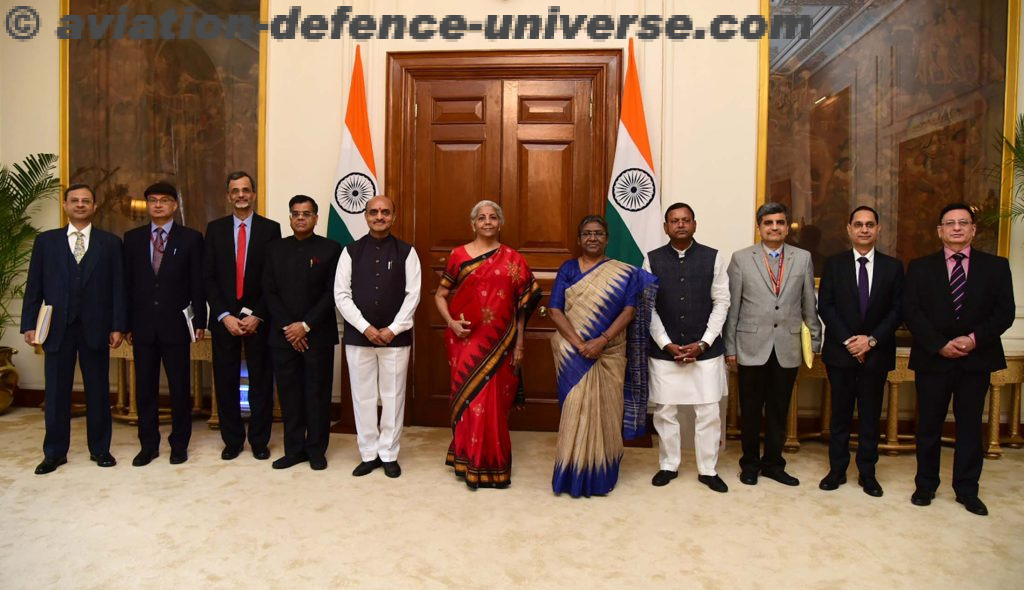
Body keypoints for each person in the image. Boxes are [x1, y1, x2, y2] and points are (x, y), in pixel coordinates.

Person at [904, 203, 1014, 516]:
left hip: (975, 360)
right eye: (949, 223)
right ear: (939, 231)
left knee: (969, 427)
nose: (956, 228)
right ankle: (925, 485)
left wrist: (973, 340)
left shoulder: (996, 267)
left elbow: (1004, 312)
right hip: (933, 360)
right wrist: (939, 344)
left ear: (973, 230)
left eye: (963, 223)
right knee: (928, 426)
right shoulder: (920, 267)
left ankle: (967, 490)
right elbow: (912, 311)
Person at [548, 215, 657, 497]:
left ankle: (601, 473)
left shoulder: (624, 273)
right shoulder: (568, 269)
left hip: (610, 352)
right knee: (575, 410)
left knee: (607, 411)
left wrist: (602, 340)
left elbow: (629, 311)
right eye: (587, 234)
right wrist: (580, 344)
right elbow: (555, 310)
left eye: (598, 233)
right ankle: (571, 472)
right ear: (579, 239)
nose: (592, 238)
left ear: (607, 238)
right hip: (573, 354)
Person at [434, 200, 540, 489]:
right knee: (471, 401)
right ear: (473, 224)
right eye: (482, 218)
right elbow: (440, 295)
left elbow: (522, 307)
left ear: (500, 223)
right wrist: (451, 323)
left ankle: (493, 464)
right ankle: (467, 459)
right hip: (465, 341)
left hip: (502, 344)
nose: (488, 222)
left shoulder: (513, 259)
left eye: (493, 217)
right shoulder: (458, 255)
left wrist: (519, 344)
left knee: (493, 403)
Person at [22, 183, 126, 474]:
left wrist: (118, 325)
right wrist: (30, 324)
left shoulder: (110, 243)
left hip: (96, 327)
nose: (80, 205)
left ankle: (100, 449)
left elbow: (119, 287)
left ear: (94, 207)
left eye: (86, 201)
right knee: (55, 392)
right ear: (65, 206)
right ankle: (54, 453)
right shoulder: (47, 242)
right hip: (57, 329)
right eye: (74, 201)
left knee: (98, 391)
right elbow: (35, 286)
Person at [724, 202, 822, 487]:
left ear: (786, 226)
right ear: (759, 227)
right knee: (751, 409)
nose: (775, 228)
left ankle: (774, 464)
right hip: (750, 344)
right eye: (768, 223)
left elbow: (808, 304)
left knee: (779, 409)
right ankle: (750, 464)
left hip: (787, 345)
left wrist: (814, 340)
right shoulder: (741, 258)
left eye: (780, 222)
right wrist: (730, 347)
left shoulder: (802, 258)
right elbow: (733, 307)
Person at [817, 206, 903, 497]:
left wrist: (871, 341)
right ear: (849, 229)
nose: (864, 229)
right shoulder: (834, 264)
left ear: (878, 229)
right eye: (858, 224)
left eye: (870, 225)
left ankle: (868, 473)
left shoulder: (893, 267)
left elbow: (897, 310)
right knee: (840, 414)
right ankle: (837, 470)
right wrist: (851, 342)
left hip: (876, 353)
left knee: (869, 416)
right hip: (841, 353)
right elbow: (825, 305)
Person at [645, 203, 729, 493]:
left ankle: (708, 469)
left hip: (705, 350)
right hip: (664, 350)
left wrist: (704, 342)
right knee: (665, 411)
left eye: (686, 220)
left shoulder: (713, 258)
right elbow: (648, 307)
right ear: (666, 227)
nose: (680, 225)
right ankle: (669, 464)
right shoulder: (650, 259)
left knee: (708, 411)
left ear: (695, 224)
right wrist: (666, 344)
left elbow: (722, 302)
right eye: (674, 221)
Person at [334, 195, 421, 478]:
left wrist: (393, 329)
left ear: (393, 216)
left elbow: (413, 295)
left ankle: (389, 453)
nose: (379, 216)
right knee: (363, 396)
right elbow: (341, 295)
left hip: (395, 338)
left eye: (385, 212)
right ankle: (368, 453)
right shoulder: (350, 252)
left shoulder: (407, 252)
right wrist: (365, 327)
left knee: (393, 397)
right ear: (366, 216)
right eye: (374, 212)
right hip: (360, 337)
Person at [123, 182, 206, 466]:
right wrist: (126, 323)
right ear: (147, 205)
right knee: (145, 389)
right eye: (153, 200)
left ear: (175, 205)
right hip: (142, 326)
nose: (158, 205)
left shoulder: (191, 238)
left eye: (165, 200)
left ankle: (179, 444)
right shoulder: (132, 239)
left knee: (179, 387)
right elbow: (127, 286)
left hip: (176, 325)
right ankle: (148, 445)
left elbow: (198, 283)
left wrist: (200, 322)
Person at [204, 171, 281, 461]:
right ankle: (232, 440)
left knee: (261, 382)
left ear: (254, 194)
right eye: (235, 190)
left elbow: (273, 278)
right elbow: (208, 277)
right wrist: (224, 315)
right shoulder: (215, 229)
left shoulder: (270, 229)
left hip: (259, 320)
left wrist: (258, 314)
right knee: (225, 382)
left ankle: (259, 441)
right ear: (228, 195)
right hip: (225, 320)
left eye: (246, 190)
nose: (241, 195)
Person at [263, 195, 341, 471]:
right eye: (295, 213)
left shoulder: (332, 249)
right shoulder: (274, 249)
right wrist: (289, 327)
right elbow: (269, 292)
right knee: (289, 395)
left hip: (317, 335)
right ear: (290, 217)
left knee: (317, 395)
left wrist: (305, 326)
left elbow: (332, 292)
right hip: (283, 336)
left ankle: (316, 450)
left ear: (316, 218)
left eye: (306, 213)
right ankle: (294, 449)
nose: (300, 218)